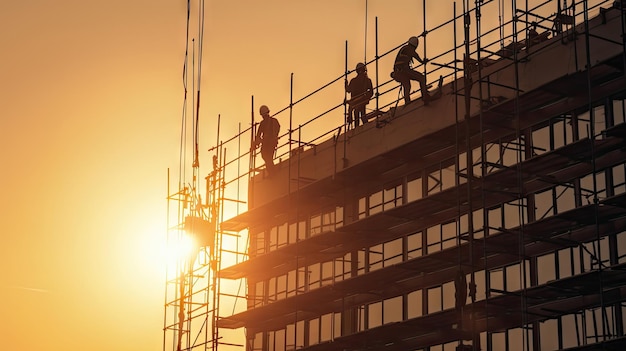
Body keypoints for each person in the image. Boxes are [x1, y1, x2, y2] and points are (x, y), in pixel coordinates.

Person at [392, 36, 431, 105]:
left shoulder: (404, 48)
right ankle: (424, 95)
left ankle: (407, 101)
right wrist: (422, 62)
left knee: (407, 85)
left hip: (399, 72)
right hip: (403, 71)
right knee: (421, 78)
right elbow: (415, 55)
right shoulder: (408, 49)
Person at [252, 105, 280, 176]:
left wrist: (255, 144)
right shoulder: (273, 121)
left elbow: (258, 135)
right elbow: (258, 135)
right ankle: (271, 171)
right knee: (268, 157)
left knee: (266, 156)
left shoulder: (266, 123)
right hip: (270, 143)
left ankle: (271, 172)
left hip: (268, 143)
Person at [345, 62, 374, 128]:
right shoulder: (367, 80)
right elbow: (371, 92)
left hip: (356, 101)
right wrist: (367, 97)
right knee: (362, 115)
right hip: (361, 100)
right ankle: (363, 127)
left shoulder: (354, 81)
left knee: (357, 115)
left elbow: (348, 90)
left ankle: (358, 128)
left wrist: (346, 85)